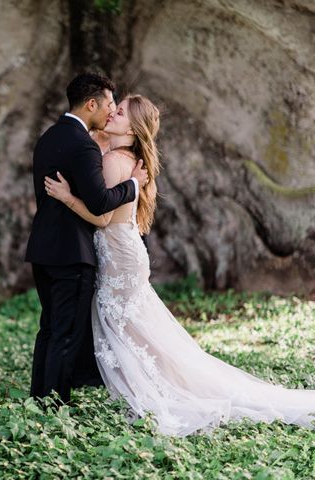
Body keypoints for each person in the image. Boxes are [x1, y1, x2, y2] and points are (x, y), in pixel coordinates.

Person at [44, 93, 315, 436]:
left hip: (118, 254)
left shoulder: (115, 161)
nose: (113, 113)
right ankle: (170, 380)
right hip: (125, 252)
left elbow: (102, 217)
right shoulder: (123, 157)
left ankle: (165, 389)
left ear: (133, 126)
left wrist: (68, 197)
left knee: (127, 326)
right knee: (138, 329)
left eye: (121, 111)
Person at [25, 72, 148, 405]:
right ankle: (53, 403)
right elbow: (101, 204)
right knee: (65, 333)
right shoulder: (84, 146)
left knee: (49, 328)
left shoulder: (48, 137)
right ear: (91, 104)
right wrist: (134, 185)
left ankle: (40, 397)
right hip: (73, 253)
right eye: (109, 104)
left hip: (43, 249)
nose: (110, 111)